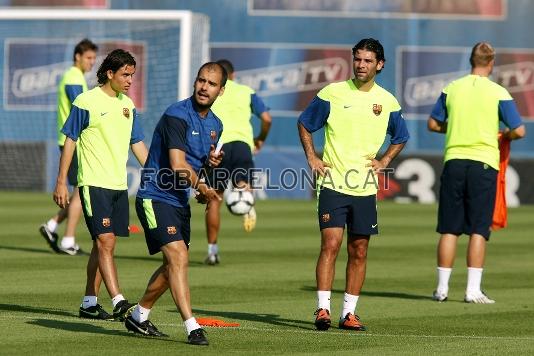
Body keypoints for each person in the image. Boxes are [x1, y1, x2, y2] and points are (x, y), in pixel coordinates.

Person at [297, 38, 409, 331]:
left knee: (359, 250)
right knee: (330, 245)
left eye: (368, 60)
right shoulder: (332, 93)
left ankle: (349, 313)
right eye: (357, 59)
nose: (361, 65)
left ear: (380, 65)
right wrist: (312, 157)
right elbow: (305, 123)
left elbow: (401, 136)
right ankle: (322, 309)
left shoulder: (387, 101)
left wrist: (384, 162)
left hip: (365, 188)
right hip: (333, 183)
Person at [125, 62, 226, 346]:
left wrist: (210, 162)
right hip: (155, 195)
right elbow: (178, 164)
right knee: (179, 258)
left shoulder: (216, 125)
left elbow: (197, 162)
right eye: (201, 80)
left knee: (173, 267)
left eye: (212, 83)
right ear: (195, 82)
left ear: (221, 90)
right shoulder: (176, 114)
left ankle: (139, 315)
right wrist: (203, 187)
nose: (205, 87)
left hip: (179, 201)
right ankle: (192, 327)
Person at [53, 49, 148, 320]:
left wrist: (158, 174)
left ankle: (89, 303)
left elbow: (137, 144)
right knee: (104, 241)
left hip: (118, 186)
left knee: (102, 245)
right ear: (110, 73)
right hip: (93, 183)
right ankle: (118, 300)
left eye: (133, 75)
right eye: (125, 74)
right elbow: (70, 139)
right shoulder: (86, 101)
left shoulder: (128, 105)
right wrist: (61, 181)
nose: (130, 80)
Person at [428, 42, 525, 304]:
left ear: (471, 60)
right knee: (478, 229)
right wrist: (504, 134)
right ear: (491, 63)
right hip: (483, 164)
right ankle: (472, 291)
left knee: (449, 228)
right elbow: (519, 130)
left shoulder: (452, 88)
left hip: (455, 161)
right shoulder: (498, 91)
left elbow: (433, 123)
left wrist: (452, 130)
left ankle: (442, 289)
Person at [204, 59, 272, 265]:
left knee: (214, 199)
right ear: (233, 75)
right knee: (244, 183)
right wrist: (260, 138)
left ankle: (212, 251)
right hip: (242, 144)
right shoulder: (246, 91)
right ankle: (247, 200)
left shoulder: (211, 90)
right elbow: (267, 118)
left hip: (218, 147)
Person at [40, 39, 98, 255]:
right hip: (72, 143)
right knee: (82, 192)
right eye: (89, 58)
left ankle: (52, 225)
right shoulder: (73, 78)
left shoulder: (75, 77)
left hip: (71, 142)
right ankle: (68, 240)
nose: (92, 62)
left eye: (94, 58)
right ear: (78, 57)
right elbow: (83, 107)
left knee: (81, 192)